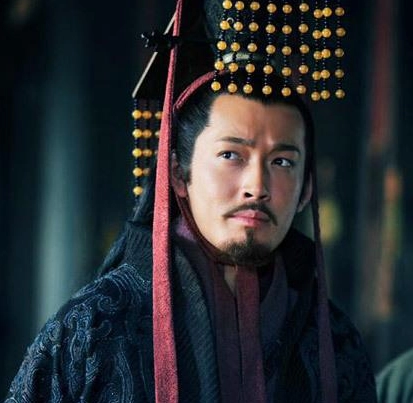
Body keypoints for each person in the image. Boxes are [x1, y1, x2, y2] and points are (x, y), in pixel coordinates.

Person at [5, 1, 377, 402]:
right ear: (179, 175)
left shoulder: (334, 342)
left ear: (306, 188)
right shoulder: (93, 328)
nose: (257, 186)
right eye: (231, 155)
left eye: (282, 161)